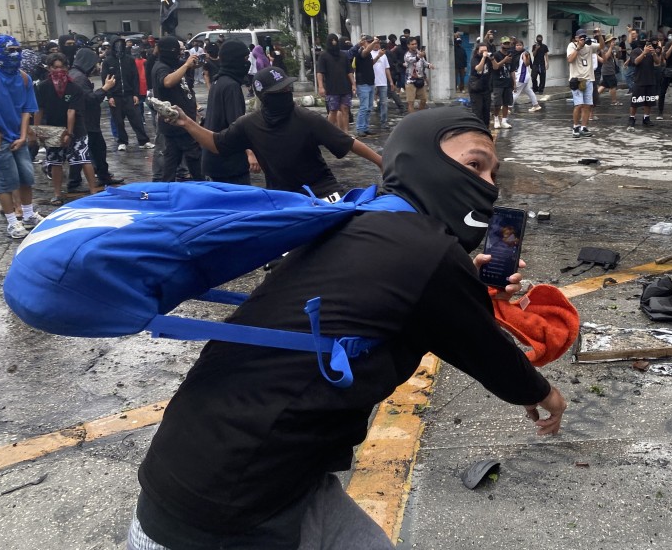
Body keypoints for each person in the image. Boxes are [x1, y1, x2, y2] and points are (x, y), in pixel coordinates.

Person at [126, 108, 566, 550]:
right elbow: (488, 351)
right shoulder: (425, 252)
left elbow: (401, 292)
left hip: (234, 469)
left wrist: (462, 276)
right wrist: (546, 396)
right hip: (225, 510)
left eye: (493, 170)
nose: (489, 184)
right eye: (475, 164)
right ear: (418, 160)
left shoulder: (370, 218)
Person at [172, 66, 381, 200]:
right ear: (264, 97)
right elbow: (216, 143)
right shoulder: (249, 124)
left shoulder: (307, 118)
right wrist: (187, 123)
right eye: (278, 92)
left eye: (287, 90)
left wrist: (381, 162)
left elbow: (348, 142)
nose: (285, 95)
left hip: (323, 190)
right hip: (283, 197)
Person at [0, 35, 43, 238]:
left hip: (17, 137)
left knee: (26, 176)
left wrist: (23, 136)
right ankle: (12, 221)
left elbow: (26, 110)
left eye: (17, 49)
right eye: (10, 50)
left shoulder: (24, 78)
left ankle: (28, 215)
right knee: (5, 179)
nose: (15, 54)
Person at [34, 53, 101, 202]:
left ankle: (93, 189)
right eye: (55, 67)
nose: (59, 70)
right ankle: (57, 194)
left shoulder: (74, 87)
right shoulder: (42, 87)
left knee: (83, 158)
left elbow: (72, 111)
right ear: (49, 68)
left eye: (62, 67)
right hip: (53, 130)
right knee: (55, 162)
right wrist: (36, 130)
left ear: (67, 67)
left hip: (76, 129)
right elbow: (39, 109)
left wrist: (69, 134)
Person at [201, 39, 256, 184]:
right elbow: (237, 125)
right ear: (235, 60)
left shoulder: (218, 81)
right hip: (229, 163)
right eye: (244, 59)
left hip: (214, 159)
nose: (247, 63)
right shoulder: (231, 86)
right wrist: (250, 153)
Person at [67, 48, 123, 188]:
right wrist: (105, 88)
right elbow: (89, 99)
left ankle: (102, 176)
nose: (96, 67)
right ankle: (76, 182)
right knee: (89, 151)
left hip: (86, 120)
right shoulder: (79, 78)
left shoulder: (75, 74)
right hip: (86, 121)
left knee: (92, 150)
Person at [153, 37, 202, 182]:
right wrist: (186, 66)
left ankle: (166, 186)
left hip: (182, 120)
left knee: (172, 158)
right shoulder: (161, 66)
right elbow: (167, 82)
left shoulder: (174, 64)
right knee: (193, 155)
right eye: (178, 51)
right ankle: (201, 184)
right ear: (171, 51)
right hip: (176, 122)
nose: (181, 54)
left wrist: (191, 64)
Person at [103, 38, 154, 152]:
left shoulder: (129, 60)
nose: (119, 48)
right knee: (118, 121)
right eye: (116, 45)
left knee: (136, 119)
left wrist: (136, 94)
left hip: (129, 95)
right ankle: (122, 141)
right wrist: (109, 96)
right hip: (115, 95)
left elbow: (135, 77)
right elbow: (104, 79)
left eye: (121, 45)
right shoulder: (108, 61)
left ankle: (143, 141)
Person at [318, 34, 356, 134]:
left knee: (345, 109)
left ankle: (345, 133)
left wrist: (353, 84)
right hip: (332, 88)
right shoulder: (323, 56)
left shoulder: (343, 55)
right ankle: (328, 133)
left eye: (335, 40)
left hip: (345, 87)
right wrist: (321, 86)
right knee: (333, 111)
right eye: (332, 41)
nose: (334, 42)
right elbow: (320, 72)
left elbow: (349, 71)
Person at [567, 29, 602, 137]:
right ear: (576, 38)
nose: (583, 39)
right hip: (576, 79)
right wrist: (578, 48)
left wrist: (599, 36)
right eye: (580, 37)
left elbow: (601, 46)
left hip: (589, 79)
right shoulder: (572, 46)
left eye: (584, 37)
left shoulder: (590, 46)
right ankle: (575, 126)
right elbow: (570, 60)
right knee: (578, 105)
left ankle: (584, 127)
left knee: (587, 105)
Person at [628, 36, 660, 129]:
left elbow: (657, 62)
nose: (646, 43)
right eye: (644, 40)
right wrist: (644, 53)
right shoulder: (635, 51)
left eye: (647, 41)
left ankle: (646, 118)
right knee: (635, 101)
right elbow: (635, 62)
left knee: (648, 101)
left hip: (650, 79)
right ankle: (632, 118)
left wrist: (654, 54)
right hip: (639, 80)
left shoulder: (651, 50)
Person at [511, 38, 541, 113]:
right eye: (517, 45)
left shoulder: (524, 53)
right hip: (523, 76)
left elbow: (527, 63)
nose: (518, 46)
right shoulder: (514, 53)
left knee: (515, 92)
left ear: (523, 46)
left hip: (522, 76)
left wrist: (527, 57)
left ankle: (508, 107)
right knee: (529, 91)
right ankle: (536, 105)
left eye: (520, 45)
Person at [404, 37, 432, 112]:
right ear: (408, 45)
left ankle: (419, 115)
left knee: (424, 99)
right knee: (411, 102)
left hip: (420, 79)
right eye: (412, 44)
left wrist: (429, 65)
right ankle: (412, 120)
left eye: (415, 44)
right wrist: (420, 55)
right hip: (410, 81)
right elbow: (413, 60)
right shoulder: (407, 55)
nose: (414, 45)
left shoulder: (419, 53)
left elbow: (424, 63)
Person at [467, 43, 492, 127]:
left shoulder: (489, 59)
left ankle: (486, 128)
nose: (484, 52)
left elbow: (495, 67)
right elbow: (478, 68)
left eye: (486, 50)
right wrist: (484, 58)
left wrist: (492, 59)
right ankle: (478, 128)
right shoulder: (474, 59)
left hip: (486, 87)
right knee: (478, 111)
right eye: (482, 51)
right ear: (477, 51)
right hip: (476, 88)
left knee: (486, 110)